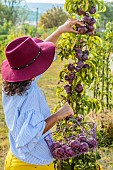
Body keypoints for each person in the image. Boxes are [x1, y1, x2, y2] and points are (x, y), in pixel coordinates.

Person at [1, 19, 84, 170]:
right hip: (31, 164)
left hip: (16, 158)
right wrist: (59, 115)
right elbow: (28, 135)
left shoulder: (13, 85)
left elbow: (33, 58)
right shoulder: (30, 95)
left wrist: (59, 30)